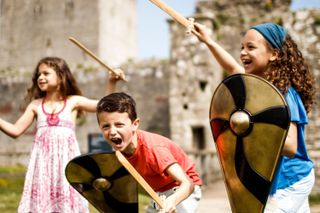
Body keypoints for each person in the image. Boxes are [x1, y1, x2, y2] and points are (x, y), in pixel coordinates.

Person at [194, 22, 315, 212]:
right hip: (278, 179)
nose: (243, 53)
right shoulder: (260, 88)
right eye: (242, 47)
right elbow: (232, 67)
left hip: (290, 179)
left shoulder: (284, 94)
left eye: (251, 47)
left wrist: (250, 129)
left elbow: (291, 146)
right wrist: (208, 40)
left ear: (274, 54)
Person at [0, 56, 125, 212]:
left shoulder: (73, 101)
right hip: (43, 164)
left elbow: (104, 105)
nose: (41, 77)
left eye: (46, 73)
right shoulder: (36, 105)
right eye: (39, 74)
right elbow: (15, 130)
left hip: (66, 162)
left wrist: (112, 82)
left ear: (61, 76)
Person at [96, 92, 203, 213]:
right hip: (158, 192)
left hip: (180, 188)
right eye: (106, 126)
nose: (112, 132)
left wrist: (171, 201)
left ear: (135, 125)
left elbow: (187, 183)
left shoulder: (153, 149)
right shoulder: (119, 152)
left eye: (119, 125)